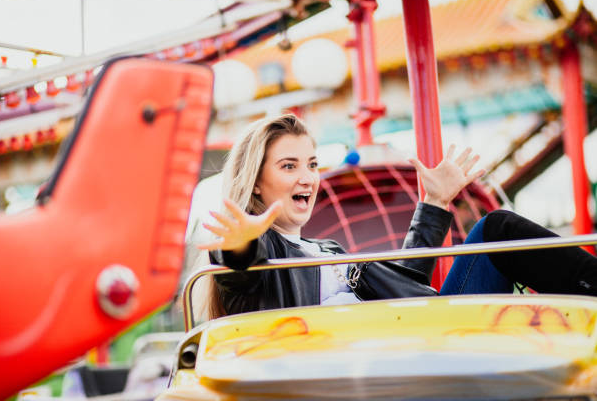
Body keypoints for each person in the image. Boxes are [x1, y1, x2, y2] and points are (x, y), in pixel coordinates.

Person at [197, 114, 597, 320]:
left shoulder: (325, 249)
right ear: (255, 185)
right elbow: (240, 270)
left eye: (313, 164)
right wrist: (239, 245)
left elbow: (405, 286)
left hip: (414, 327)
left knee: (498, 228)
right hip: (390, 351)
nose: (307, 178)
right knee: (500, 228)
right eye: (289, 166)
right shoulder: (265, 252)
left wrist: (436, 203)